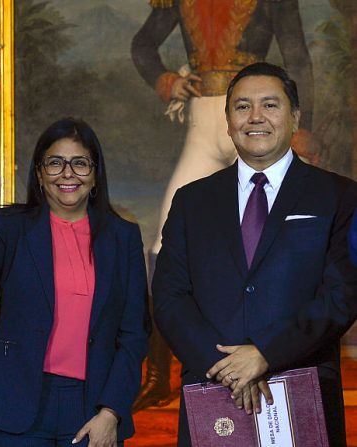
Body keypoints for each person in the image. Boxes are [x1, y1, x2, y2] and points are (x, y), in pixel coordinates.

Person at [152, 62, 357, 446]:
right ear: (228, 120)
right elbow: (169, 296)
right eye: (242, 106)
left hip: (301, 388)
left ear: (294, 117)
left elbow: (342, 294)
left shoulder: (339, 196)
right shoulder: (192, 201)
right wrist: (227, 367)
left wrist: (265, 354)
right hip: (212, 389)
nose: (255, 116)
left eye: (270, 105)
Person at [130, 0, 316, 410]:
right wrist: (165, 79)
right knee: (163, 249)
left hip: (257, 119)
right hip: (205, 117)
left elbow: (296, 54)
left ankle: (268, 359)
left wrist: (305, 128)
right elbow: (143, 44)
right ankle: (160, 376)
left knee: (266, 243)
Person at [0, 118, 150, 445]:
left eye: (80, 163)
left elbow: (134, 334)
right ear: (40, 174)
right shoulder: (10, 227)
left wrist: (112, 412)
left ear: (95, 175)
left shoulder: (122, 237)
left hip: (93, 410)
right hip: (14, 406)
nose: (67, 173)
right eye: (55, 163)